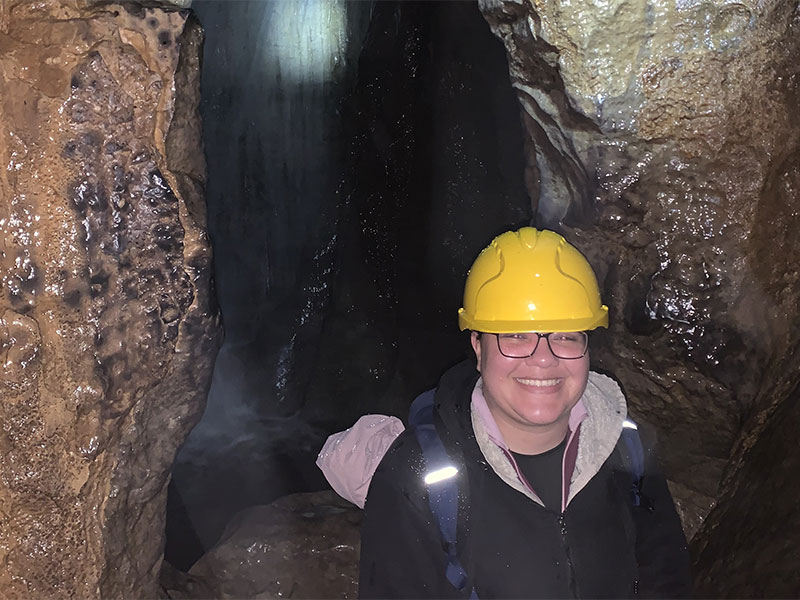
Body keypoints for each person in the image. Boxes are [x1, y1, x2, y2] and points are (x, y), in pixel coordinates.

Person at [318, 227, 691, 599]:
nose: (543, 358)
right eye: (515, 336)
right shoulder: (416, 479)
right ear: (478, 347)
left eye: (565, 335)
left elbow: (667, 580)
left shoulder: (627, 447)